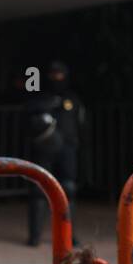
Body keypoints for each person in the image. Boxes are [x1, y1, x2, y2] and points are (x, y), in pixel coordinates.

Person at [25, 60, 84, 247]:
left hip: (67, 149)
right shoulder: (39, 97)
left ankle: (69, 234)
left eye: (60, 74)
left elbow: (80, 125)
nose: (57, 78)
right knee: (38, 191)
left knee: (68, 189)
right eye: (53, 74)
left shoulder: (73, 99)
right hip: (44, 149)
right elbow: (30, 115)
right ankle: (35, 236)